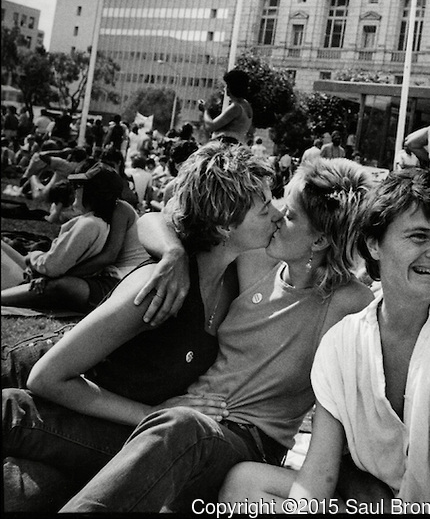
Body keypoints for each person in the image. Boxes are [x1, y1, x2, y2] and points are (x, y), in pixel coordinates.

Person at [61, 158, 376, 512]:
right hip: (181, 417)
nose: (275, 215)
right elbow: (151, 220)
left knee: (181, 429)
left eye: (288, 215)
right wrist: (173, 252)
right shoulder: (258, 261)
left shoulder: (348, 302)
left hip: (249, 438)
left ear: (319, 239)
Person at [220, 168, 430, 506]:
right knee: (245, 484)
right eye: (419, 236)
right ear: (374, 244)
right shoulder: (342, 342)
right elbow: (318, 473)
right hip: (394, 504)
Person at [2, 141, 281, 512]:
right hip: (39, 390)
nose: (278, 213)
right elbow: (47, 377)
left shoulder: (234, 276)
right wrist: (154, 416)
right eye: (265, 210)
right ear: (224, 224)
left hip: (97, 422)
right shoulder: (159, 287)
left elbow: (153, 218)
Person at [0, 163, 126, 310]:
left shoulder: (89, 224)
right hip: (37, 275)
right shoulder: (100, 223)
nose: (75, 190)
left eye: (79, 186)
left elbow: (52, 267)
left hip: (31, 279)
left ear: (92, 193)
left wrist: (34, 256)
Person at [200, 68, 254, 145]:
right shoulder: (246, 105)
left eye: (227, 86)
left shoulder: (235, 107)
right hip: (236, 145)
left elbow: (211, 126)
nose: (225, 89)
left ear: (231, 88)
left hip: (225, 146)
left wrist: (205, 110)